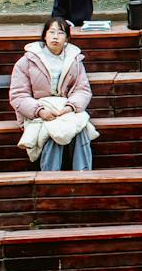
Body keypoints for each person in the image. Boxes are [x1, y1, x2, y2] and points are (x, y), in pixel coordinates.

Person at [10, 18, 96, 172]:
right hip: (38, 111)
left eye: (60, 33)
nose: (55, 37)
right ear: (44, 36)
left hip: (65, 109)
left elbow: (82, 90)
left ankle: (84, 174)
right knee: (53, 130)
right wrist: (39, 111)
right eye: (51, 32)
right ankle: (50, 177)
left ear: (67, 39)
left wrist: (70, 107)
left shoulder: (75, 61)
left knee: (80, 127)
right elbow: (18, 95)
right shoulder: (27, 61)